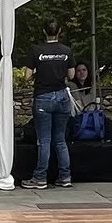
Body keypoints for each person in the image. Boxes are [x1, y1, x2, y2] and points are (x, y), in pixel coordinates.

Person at [23, 29, 75, 188]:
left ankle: (40, 177)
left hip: (43, 96)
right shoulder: (66, 51)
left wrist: (37, 73)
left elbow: (26, 76)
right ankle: (65, 176)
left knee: (44, 140)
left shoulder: (36, 51)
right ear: (59, 31)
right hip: (61, 96)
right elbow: (71, 75)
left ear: (44, 31)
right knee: (60, 139)